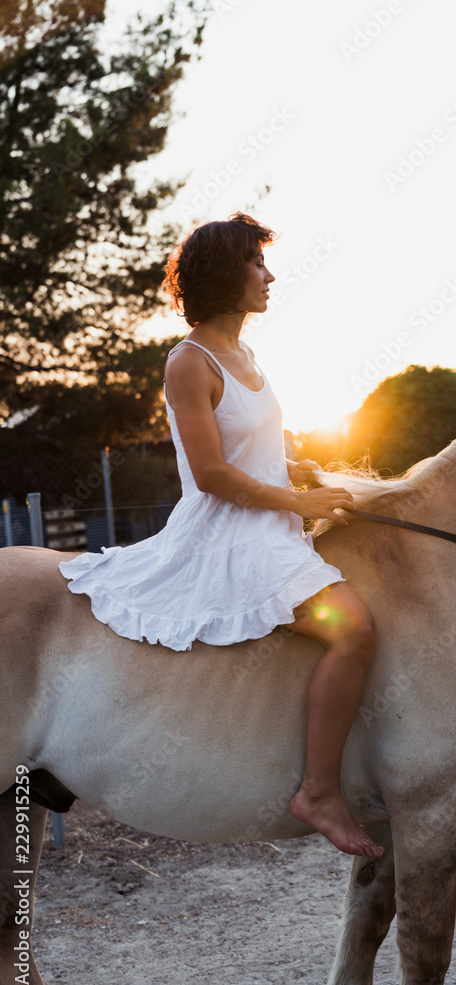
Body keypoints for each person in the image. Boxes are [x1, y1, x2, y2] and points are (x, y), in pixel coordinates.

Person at [60, 212, 383, 859]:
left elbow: (249, 449)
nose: (268, 275)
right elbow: (208, 474)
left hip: (271, 517)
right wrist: (298, 499)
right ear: (222, 274)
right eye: (255, 263)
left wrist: (293, 472)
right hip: (230, 533)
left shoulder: (246, 355)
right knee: (351, 627)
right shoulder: (190, 362)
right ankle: (317, 793)